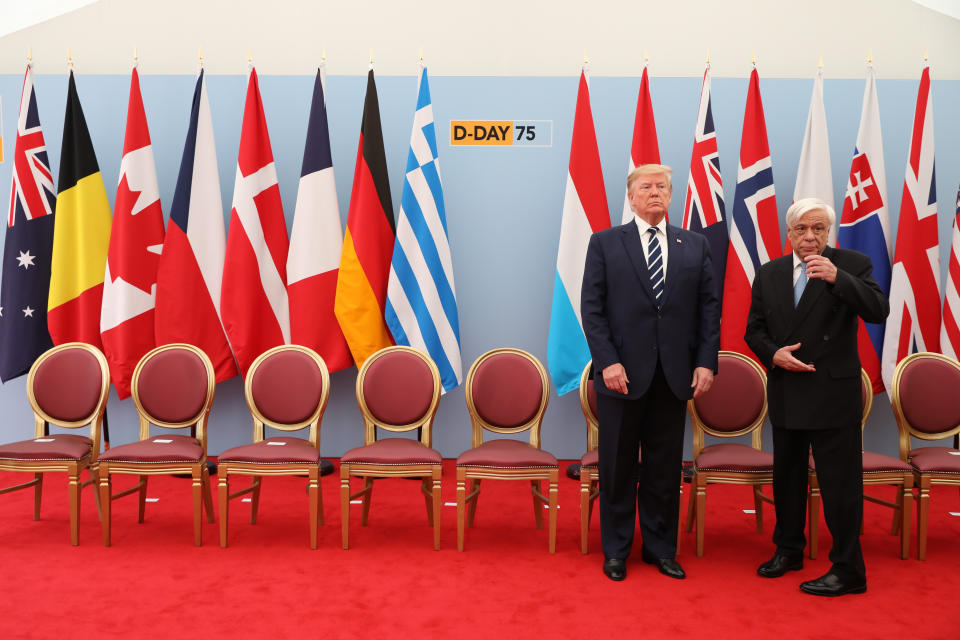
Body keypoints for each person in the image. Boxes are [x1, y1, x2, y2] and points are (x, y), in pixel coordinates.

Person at [581, 164, 720, 582]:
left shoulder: (694, 245)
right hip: (619, 375)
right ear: (631, 196)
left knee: (663, 468)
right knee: (618, 466)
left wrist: (705, 361)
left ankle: (660, 549)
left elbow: (709, 309)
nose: (655, 192)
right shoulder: (605, 243)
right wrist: (607, 361)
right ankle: (616, 550)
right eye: (646, 186)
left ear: (671, 195)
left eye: (662, 187)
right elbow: (592, 309)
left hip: (674, 376)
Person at [745, 197, 889, 597]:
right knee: (786, 478)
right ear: (788, 233)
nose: (810, 237)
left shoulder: (851, 264)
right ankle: (789, 549)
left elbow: (879, 309)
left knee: (839, 485)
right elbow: (753, 330)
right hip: (787, 390)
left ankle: (848, 569)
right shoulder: (769, 273)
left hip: (832, 393)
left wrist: (837, 279)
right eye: (802, 229)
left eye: (818, 229)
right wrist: (773, 354)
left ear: (829, 233)